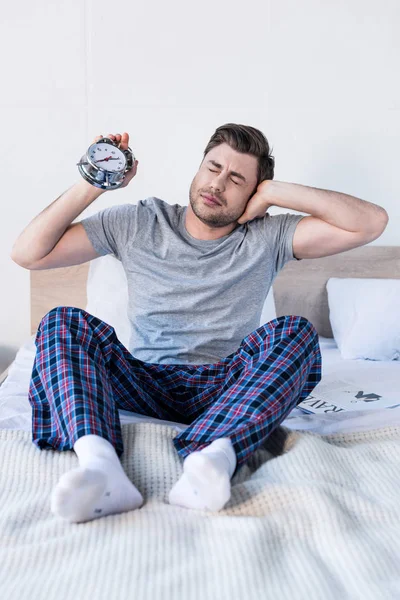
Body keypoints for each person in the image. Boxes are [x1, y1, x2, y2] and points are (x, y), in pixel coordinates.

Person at [11, 124, 322, 523]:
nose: (217, 184)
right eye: (213, 168)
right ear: (198, 169)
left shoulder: (268, 236)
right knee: (62, 321)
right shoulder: (140, 221)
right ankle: (100, 465)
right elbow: (28, 254)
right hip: (143, 380)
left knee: (294, 330)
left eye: (237, 179)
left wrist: (275, 194)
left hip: (226, 386)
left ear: (253, 193)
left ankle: (214, 458)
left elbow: (369, 223)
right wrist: (96, 181)